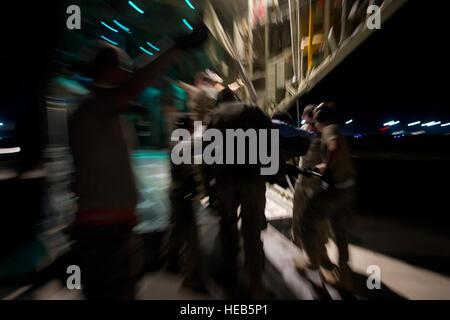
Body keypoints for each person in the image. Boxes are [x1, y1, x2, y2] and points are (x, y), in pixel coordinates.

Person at [68, 24, 209, 299]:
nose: (129, 73)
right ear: (109, 70)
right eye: (124, 67)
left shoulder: (102, 113)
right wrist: (175, 45)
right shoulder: (95, 106)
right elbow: (133, 86)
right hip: (103, 234)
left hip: (114, 229)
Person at [206, 98, 272, 299]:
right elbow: (272, 141)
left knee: (227, 227)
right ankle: (256, 284)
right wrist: (270, 173)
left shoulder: (214, 116)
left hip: (225, 181)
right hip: (252, 179)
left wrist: (210, 190)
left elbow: (207, 154)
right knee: (252, 232)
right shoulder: (255, 111)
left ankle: (230, 278)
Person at [296, 102, 356, 289]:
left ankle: (312, 261)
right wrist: (318, 168)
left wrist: (327, 170)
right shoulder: (338, 129)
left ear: (320, 117)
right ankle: (344, 275)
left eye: (315, 118)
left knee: (306, 220)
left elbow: (333, 147)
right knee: (340, 232)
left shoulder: (329, 130)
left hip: (334, 190)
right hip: (348, 189)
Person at [163, 115, 205, 291]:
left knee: (176, 230)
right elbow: (186, 171)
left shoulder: (176, 142)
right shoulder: (182, 145)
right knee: (191, 239)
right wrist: (195, 183)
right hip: (183, 196)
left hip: (176, 194)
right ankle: (190, 278)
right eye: (192, 128)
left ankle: (169, 263)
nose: (193, 131)